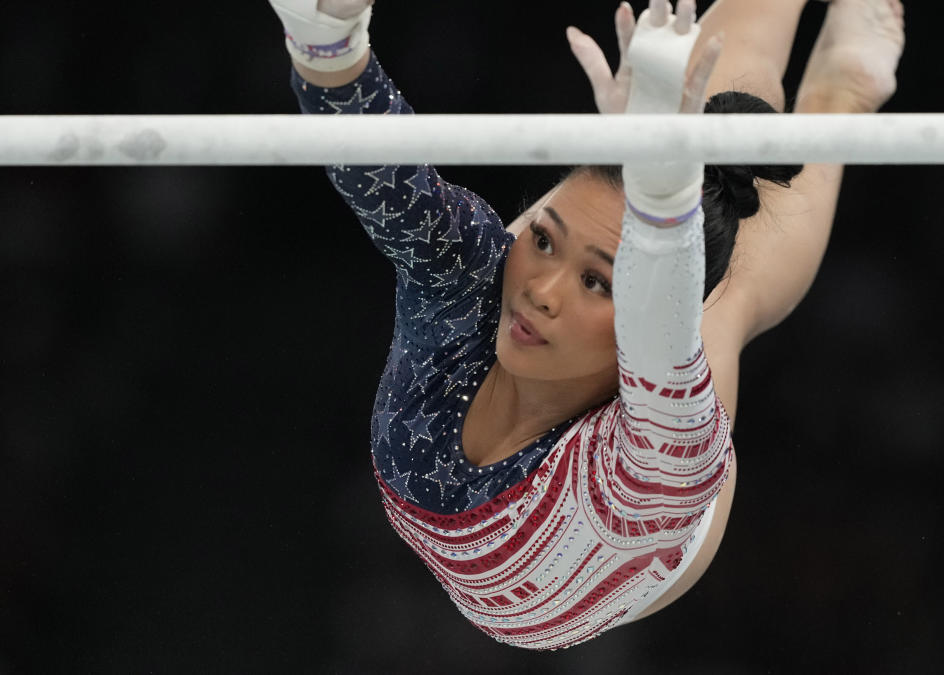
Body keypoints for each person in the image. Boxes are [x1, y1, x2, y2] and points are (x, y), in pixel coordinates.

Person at [267, 0, 904, 650]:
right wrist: (327, 41)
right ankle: (836, 89)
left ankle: (840, 89)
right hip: (637, 383)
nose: (541, 292)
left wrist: (664, 196)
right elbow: (383, 174)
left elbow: (660, 308)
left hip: (636, 543)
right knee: (681, 192)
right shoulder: (470, 278)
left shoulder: (644, 469)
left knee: (726, 301)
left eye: (596, 280)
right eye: (543, 238)